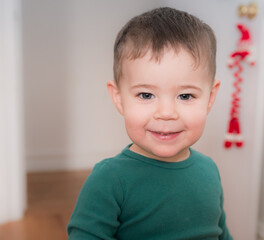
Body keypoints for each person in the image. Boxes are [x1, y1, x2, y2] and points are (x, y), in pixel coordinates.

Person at [67, 7, 233, 240]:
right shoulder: (109, 181)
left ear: (210, 98)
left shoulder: (209, 170)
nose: (166, 113)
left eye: (185, 96)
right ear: (119, 98)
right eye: (146, 95)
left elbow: (221, 233)